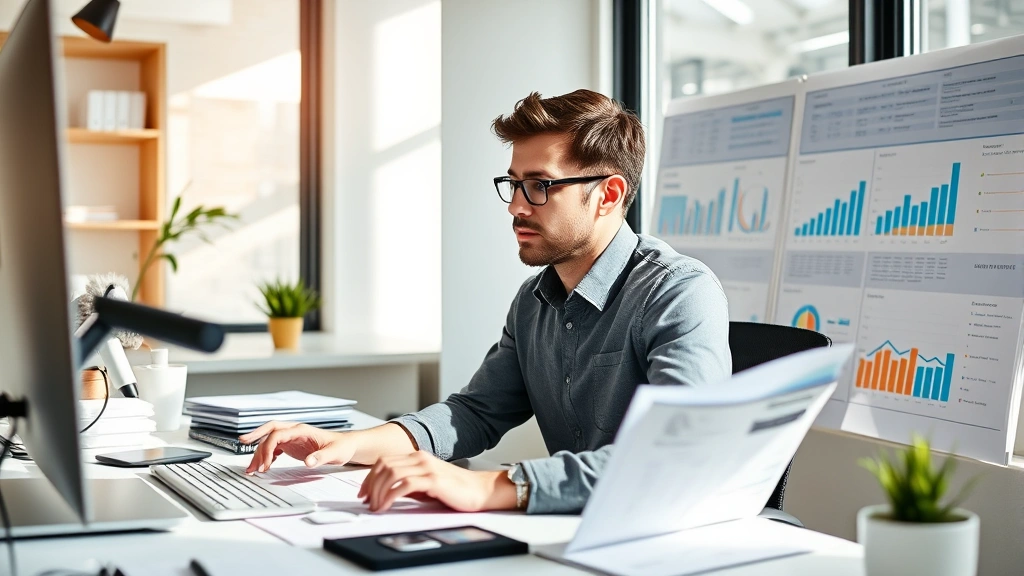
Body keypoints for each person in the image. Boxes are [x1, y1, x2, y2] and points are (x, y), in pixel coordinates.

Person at [241, 89, 731, 514]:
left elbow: (681, 452)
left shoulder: (678, 292)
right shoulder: (534, 299)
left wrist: (488, 486)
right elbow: (475, 413)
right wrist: (350, 444)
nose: (517, 205)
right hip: (576, 527)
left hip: (668, 536)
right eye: (513, 184)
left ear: (608, 194)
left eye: (539, 185)